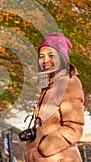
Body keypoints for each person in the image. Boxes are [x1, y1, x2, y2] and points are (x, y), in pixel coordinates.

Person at [24, 32, 85, 161]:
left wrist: (44, 148)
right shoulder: (48, 86)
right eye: (41, 56)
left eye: (51, 55)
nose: (45, 60)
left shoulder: (69, 83)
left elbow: (74, 128)